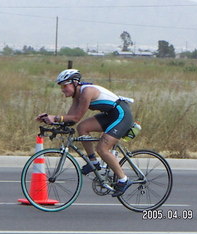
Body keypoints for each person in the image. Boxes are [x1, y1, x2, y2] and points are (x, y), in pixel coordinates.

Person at [36, 69, 134, 197]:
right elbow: (70, 120)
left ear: (75, 83)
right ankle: (93, 163)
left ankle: (123, 180)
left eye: (65, 86)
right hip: (110, 115)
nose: (62, 89)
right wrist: (49, 121)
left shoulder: (86, 92)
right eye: (61, 86)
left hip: (121, 115)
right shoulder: (77, 96)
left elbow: (76, 117)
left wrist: (55, 117)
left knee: (102, 148)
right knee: (82, 128)